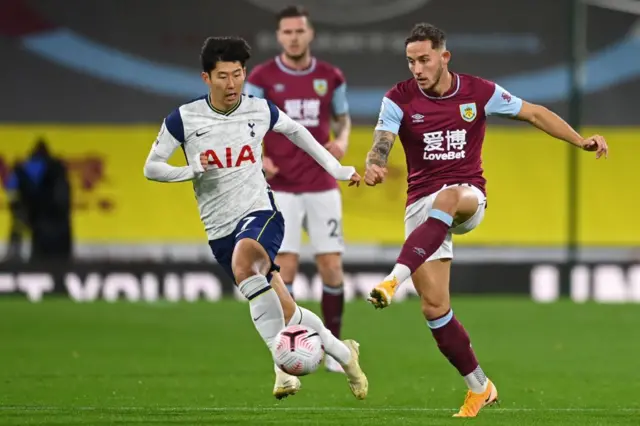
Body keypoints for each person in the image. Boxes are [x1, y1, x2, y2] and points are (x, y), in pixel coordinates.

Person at [364, 23, 608, 418]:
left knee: (449, 195)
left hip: (466, 197)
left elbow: (534, 112)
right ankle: (480, 387)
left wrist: (580, 140)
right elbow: (382, 141)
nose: (417, 69)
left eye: (424, 60)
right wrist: (375, 166)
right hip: (422, 208)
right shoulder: (398, 98)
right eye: (411, 61)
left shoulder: (478, 92)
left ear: (445, 57)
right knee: (433, 308)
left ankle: (393, 278)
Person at [143, 36, 368, 401]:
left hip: (261, 213)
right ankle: (344, 354)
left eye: (237, 75)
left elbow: (297, 132)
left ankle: (281, 369)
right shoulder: (183, 119)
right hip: (219, 230)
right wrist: (190, 170)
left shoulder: (258, 109)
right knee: (285, 308)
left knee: (246, 262)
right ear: (206, 78)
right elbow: (151, 167)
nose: (231, 84)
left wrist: (336, 168)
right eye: (222, 77)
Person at [243, 5, 351, 373]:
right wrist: (258, 156)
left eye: (299, 31)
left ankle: (333, 348)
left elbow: (342, 118)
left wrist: (343, 140)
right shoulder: (261, 77)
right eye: (287, 32)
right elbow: (247, 121)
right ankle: (286, 349)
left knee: (331, 267)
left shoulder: (330, 76)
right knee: (283, 269)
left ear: (310, 34)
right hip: (281, 188)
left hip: (321, 183)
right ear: (279, 37)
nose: (293, 37)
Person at [7, 139, 72, 262]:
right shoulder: (57, 168)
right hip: (49, 215)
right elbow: (63, 195)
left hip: (30, 210)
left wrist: (16, 208)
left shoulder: (22, 168)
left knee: (18, 226)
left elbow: (11, 190)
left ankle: (14, 255)